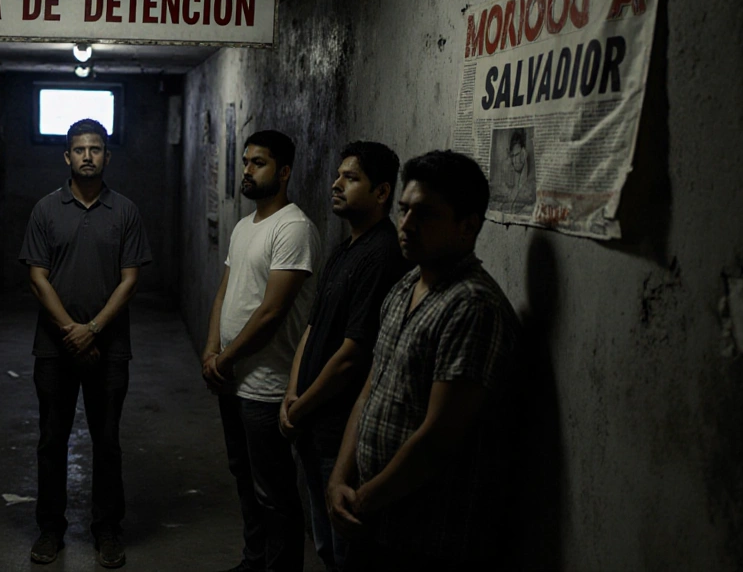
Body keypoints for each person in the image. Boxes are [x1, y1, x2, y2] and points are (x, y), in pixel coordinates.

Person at [327, 150, 519, 571]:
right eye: (404, 209)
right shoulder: (405, 288)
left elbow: (438, 439)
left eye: (426, 214)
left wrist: (363, 499)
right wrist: (340, 478)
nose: (407, 225)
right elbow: (369, 393)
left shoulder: (472, 307)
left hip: (427, 537)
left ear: (468, 226)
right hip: (374, 520)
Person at [20, 118, 152, 569]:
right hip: (53, 350)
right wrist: (71, 332)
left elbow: (130, 280)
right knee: (51, 440)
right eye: (80, 149)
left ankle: (107, 530)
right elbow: (37, 278)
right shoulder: (45, 209)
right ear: (67, 157)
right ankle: (50, 530)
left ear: (107, 157)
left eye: (96, 149)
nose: (88, 156)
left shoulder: (126, 211)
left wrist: (92, 329)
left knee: (107, 441)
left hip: (109, 349)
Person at [281, 142, 409, 571]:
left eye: (351, 178)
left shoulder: (383, 255)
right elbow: (313, 329)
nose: (335, 185)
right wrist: (291, 395)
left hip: (339, 431)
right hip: (313, 421)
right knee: (325, 544)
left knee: (345, 550)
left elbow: (354, 356)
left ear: (381, 193)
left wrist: (302, 407)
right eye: (338, 175)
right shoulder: (345, 249)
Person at [202, 130, 320, 572]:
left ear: (284, 172)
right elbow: (225, 292)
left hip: (265, 384)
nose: (247, 170)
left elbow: (272, 312)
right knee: (244, 478)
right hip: (233, 378)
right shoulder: (242, 225)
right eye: (246, 162)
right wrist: (212, 348)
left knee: (273, 490)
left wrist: (226, 360)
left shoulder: (293, 228)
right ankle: (254, 561)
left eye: (259, 163)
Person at [499, 128, 536, 215]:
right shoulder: (511, 186)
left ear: (523, 153)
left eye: (518, 154)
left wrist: (525, 162)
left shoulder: (530, 186)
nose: (515, 160)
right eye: (513, 155)